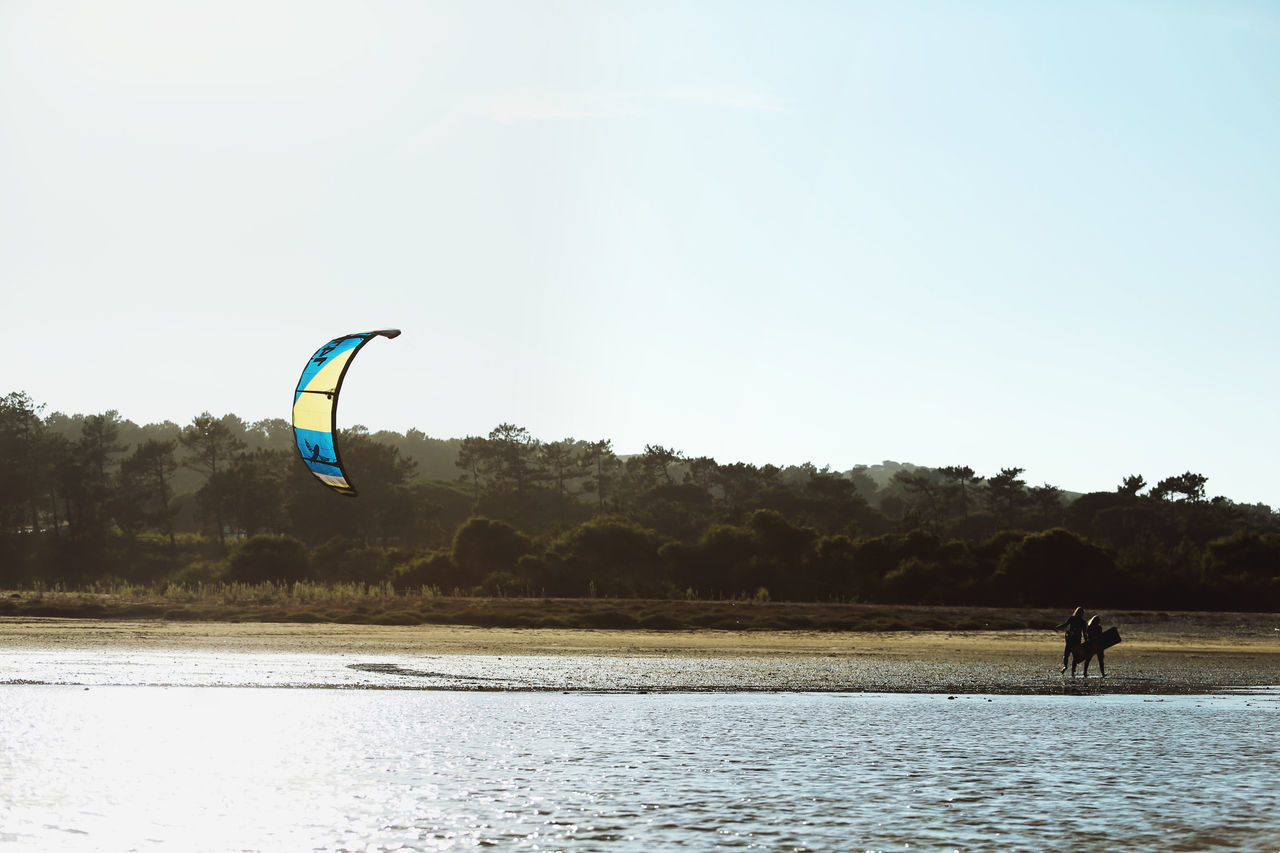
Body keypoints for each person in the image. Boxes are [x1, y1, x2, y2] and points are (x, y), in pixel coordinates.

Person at [1055, 606, 1087, 674]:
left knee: (1069, 655)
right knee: (1071, 655)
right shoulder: (1079, 621)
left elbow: (1084, 633)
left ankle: (1069, 668)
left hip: (1072, 639)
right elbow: (1084, 634)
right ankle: (1069, 668)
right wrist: (1059, 627)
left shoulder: (1076, 619)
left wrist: (1059, 627)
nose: (1081, 614)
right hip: (1074, 640)